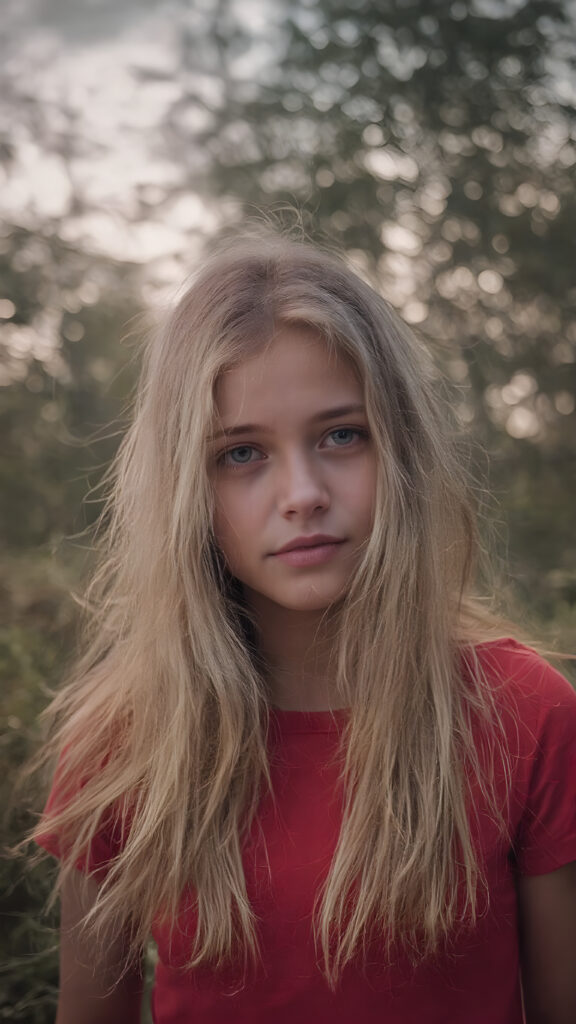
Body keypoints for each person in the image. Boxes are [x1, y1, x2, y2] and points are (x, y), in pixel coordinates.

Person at [31, 231, 576, 1023]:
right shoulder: (121, 741)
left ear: (402, 449)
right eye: (242, 453)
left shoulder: (525, 713)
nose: (302, 493)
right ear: (186, 488)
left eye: (341, 435)